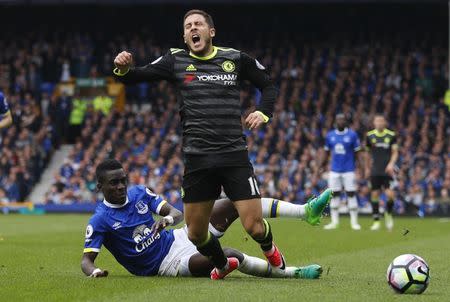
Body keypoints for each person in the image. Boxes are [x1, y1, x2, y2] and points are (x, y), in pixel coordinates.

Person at [113, 9, 309, 279]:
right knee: (195, 232)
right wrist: (123, 68)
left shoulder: (235, 58)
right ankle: (222, 262)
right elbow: (135, 75)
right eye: (188, 26)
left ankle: (270, 248)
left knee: (254, 226)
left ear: (210, 31)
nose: (193, 28)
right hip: (198, 160)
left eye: (198, 24)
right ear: (184, 36)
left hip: (233, 156)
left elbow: (269, 85)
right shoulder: (176, 60)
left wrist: (263, 112)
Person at [81, 159, 331, 279]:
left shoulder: (139, 193)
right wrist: (95, 272)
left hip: (178, 237)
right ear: (100, 185)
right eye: (114, 182)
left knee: (234, 203)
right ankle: (294, 273)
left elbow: (176, 213)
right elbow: (86, 260)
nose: (121, 186)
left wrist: (166, 221)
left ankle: (305, 212)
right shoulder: (100, 220)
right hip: (167, 265)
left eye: (123, 180)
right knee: (231, 255)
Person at [323, 114, 363, 230]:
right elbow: (326, 153)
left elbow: (357, 153)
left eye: (342, 120)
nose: (340, 121)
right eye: (338, 119)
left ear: (346, 122)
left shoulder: (352, 135)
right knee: (334, 195)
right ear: (335, 121)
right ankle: (334, 222)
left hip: (348, 170)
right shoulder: (330, 135)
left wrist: (361, 168)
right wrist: (321, 166)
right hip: (334, 170)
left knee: (351, 194)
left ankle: (354, 222)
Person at [365, 114, 399, 231]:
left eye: (381, 121)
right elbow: (367, 154)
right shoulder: (370, 136)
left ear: (385, 123)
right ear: (374, 123)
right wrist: (367, 168)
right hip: (375, 170)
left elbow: (395, 152)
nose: (379, 123)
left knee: (390, 195)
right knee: (375, 194)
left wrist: (391, 164)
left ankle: (388, 214)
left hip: (387, 170)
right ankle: (376, 221)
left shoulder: (391, 135)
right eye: (377, 121)